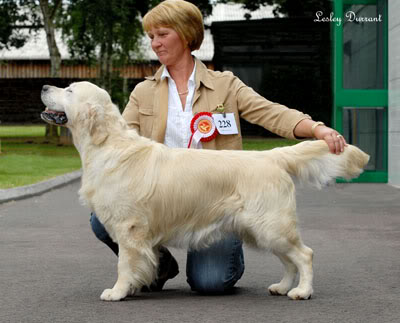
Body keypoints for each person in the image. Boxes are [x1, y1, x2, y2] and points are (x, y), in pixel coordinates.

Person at [90, 0, 346, 294]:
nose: (155, 44)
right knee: (102, 216)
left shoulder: (225, 85)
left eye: (162, 34)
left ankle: (236, 253)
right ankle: (156, 268)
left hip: (217, 200)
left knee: (210, 283)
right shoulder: (143, 92)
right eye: (151, 37)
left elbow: (271, 113)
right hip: (164, 200)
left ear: (186, 35)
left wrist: (316, 129)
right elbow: (122, 141)